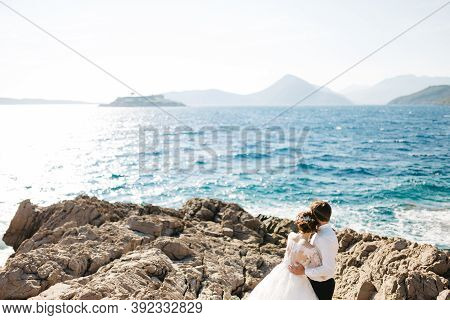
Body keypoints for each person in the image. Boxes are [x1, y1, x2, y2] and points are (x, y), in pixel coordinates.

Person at [247, 210, 322, 300]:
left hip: (282, 271)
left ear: (299, 224)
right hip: (298, 278)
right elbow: (318, 269)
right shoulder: (310, 249)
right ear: (314, 228)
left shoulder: (291, 236)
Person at [288, 200, 339, 300]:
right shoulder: (322, 233)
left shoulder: (324, 238)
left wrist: (304, 272)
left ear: (315, 217)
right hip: (315, 282)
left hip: (322, 286)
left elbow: (328, 269)